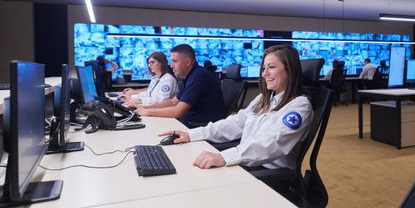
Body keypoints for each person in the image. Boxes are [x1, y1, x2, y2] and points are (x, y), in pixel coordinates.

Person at [160, 44, 313, 170]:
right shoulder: (264, 98)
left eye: (271, 67)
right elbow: (236, 122)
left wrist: (224, 157)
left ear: (290, 70)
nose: (264, 74)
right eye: (263, 68)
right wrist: (192, 134)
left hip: (268, 174)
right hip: (246, 162)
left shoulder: (299, 107)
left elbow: (270, 145)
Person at [133, 44, 226, 126]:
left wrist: (148, 112)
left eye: (175, 61)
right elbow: (173, 102)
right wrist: (145, 108)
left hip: (198, 127)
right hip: (189, 123)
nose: (171, 66)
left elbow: (178, 111)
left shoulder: (198, 76)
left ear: (188, 62)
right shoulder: (191, 75)